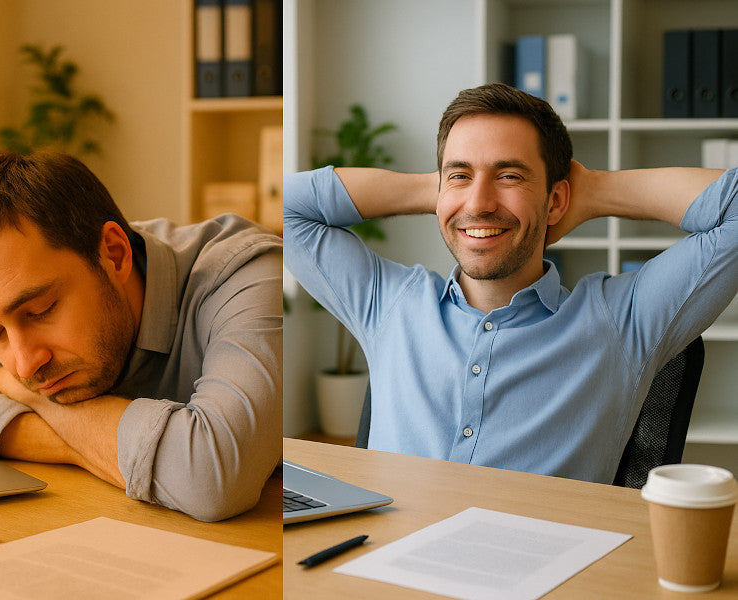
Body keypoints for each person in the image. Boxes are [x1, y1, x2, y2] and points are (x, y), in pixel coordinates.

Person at [285, 83, 737, 484]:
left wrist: (594, 190)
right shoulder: (388, 303)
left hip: (541, 574)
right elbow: (288, 208)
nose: (480, 203)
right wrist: (443, 192)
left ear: (557, 198)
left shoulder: (623, 321)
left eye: (509, 176)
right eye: (460, 174)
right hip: (382, 569)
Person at [0, 151, 282, 522]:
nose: (23, 363)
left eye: (41, 312)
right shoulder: (18, 288)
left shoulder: (246, 274)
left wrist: (28, 396)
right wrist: (85, 445)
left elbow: (210, 478)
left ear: (115, 254)